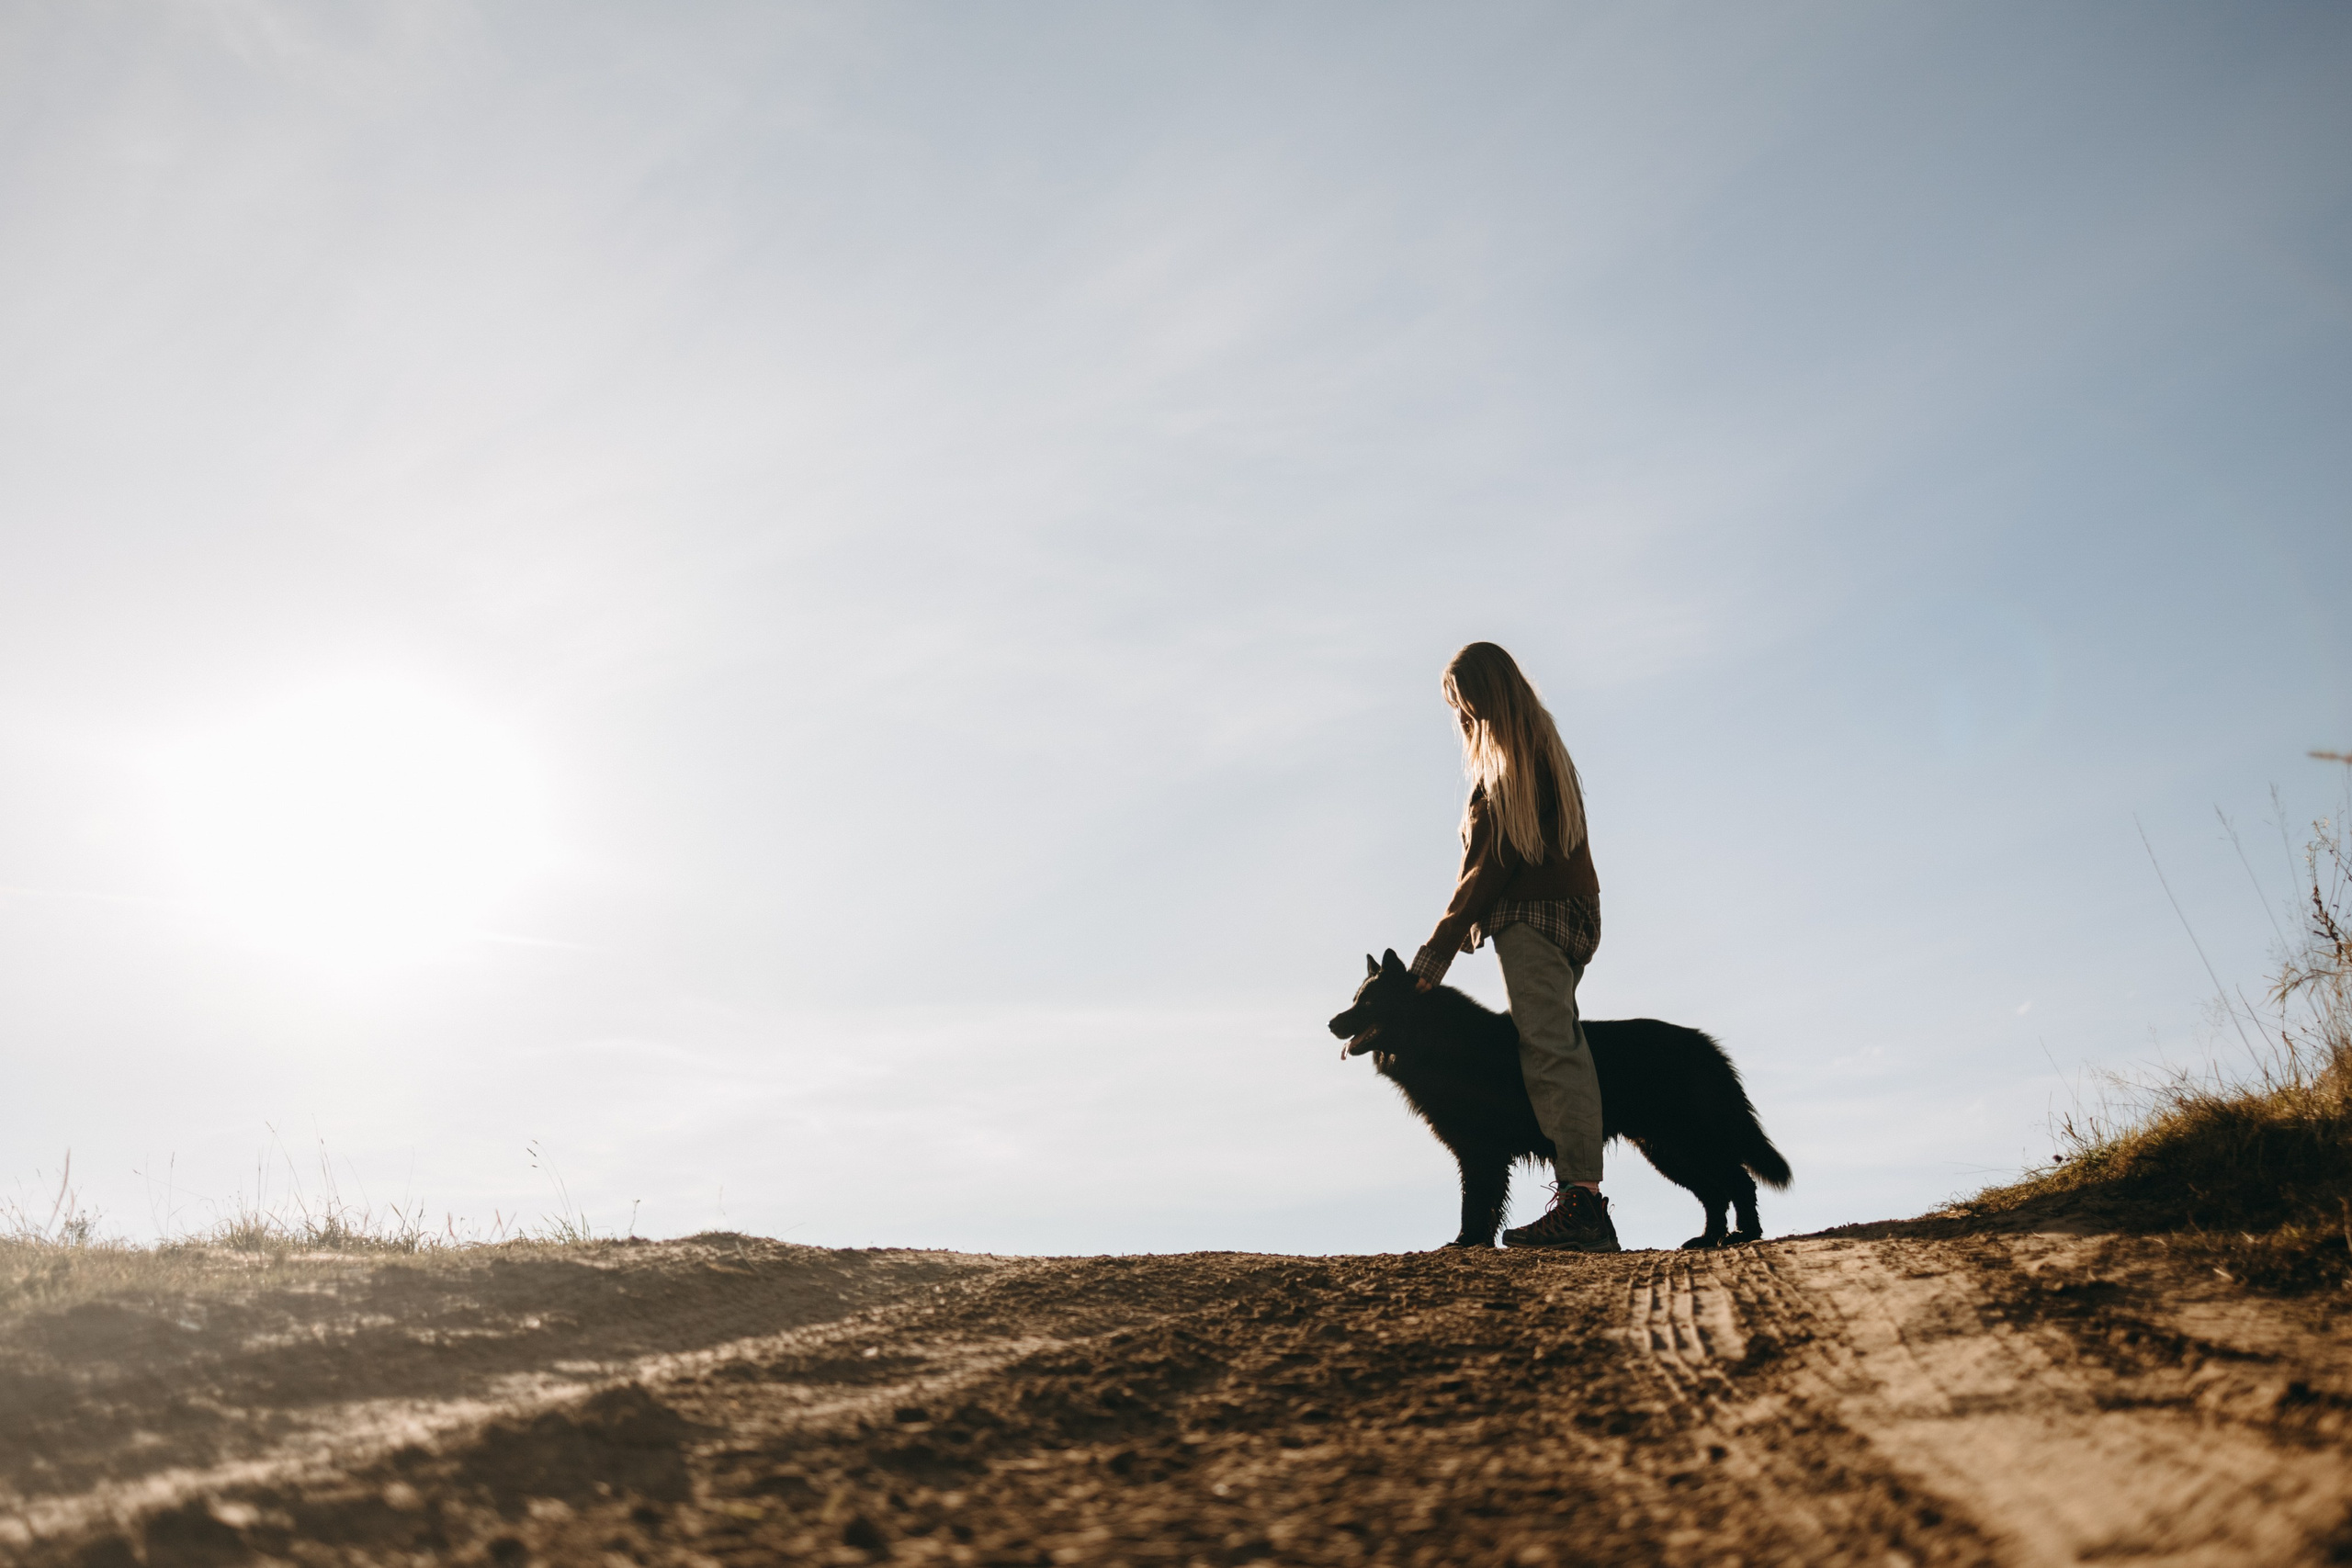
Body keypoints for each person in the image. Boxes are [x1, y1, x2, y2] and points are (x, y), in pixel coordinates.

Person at [1410, 641, 1616, 1251]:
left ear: (1484, 694)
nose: (1463, 717)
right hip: (1568, 913)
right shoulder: (1538, 746)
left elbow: (1488, 864)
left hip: (1535, 917)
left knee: (1551, 1047)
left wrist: (1435, 953)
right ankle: (1580, 1196)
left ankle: (1582, 1203)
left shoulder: (1514, 758)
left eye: (1465, 703)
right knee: (1552, 1044)